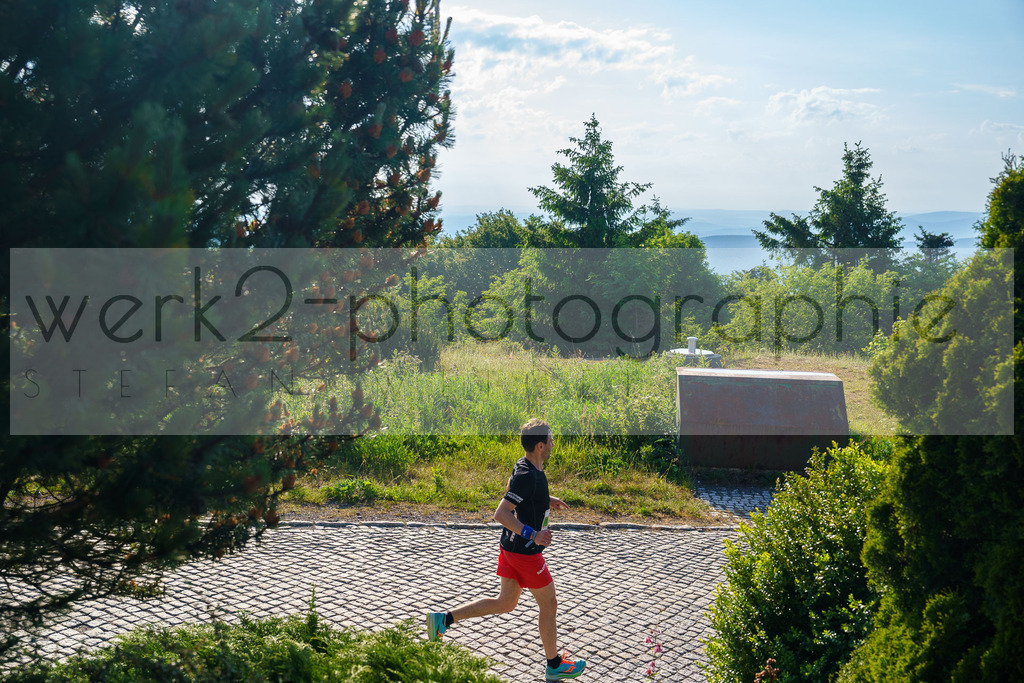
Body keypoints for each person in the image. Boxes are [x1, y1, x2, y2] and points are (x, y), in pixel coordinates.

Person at [425, 418, 586, 681]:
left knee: (505, 603)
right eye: (551, 439)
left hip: (510, 549)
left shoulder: (525, 465)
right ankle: (554, 664)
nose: (554, 442)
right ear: (540, 445)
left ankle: (443, 620)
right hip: (525, 553)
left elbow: (512, 494)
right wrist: (533, 534)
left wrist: (546, 500)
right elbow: (500, 513)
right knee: (550, 604)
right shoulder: (527, 475)